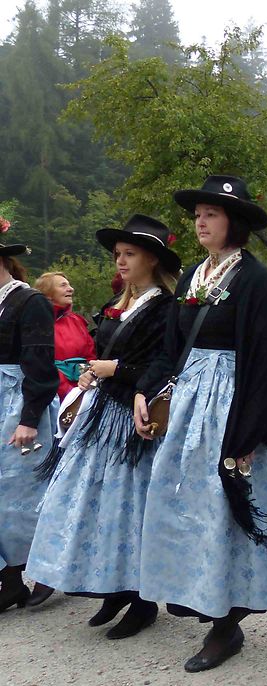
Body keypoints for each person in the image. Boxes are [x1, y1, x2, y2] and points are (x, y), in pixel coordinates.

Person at [134, 175, 267, 671]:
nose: (201, 221)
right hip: (189, 406)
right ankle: (200, 599)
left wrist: (247, 435)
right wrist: (145, 389)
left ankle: (226, 625)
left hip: (231, 408)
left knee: (224, 512)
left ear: (234, 223)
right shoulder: (191, 278)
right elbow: (171, 349)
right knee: (189, 508)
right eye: (198, 214)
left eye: (212, 214)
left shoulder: (258, 281)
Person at [26, 216, 180, 638]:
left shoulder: (165, 307)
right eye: (118, 255)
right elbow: (107, 352)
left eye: (129, 254)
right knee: (99, 503)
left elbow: (165, 364)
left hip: (132, 417)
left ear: (152, 258)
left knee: (130, 508)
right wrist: (94, 373)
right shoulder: (122, 302)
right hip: (103, 411)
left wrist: (116, 369)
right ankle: (114, 586)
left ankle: (141, 599)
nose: (121, 261)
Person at [0, 241, 59, 613]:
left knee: (23, 496)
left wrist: (29, 417)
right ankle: (10, 578)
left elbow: (40, 363)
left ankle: (44, 570)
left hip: (19, 403)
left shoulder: (28, 301)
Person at [35, 272, 96, 401]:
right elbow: (41, 362)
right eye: (63, 285)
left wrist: (88, 384)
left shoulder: (77, 321)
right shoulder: (37, 323)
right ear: (48, 294)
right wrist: (68, 392)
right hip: (52, 395)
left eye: (69, 285)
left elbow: (90, 356)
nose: (71, 289)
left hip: (82, 392)